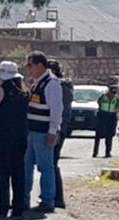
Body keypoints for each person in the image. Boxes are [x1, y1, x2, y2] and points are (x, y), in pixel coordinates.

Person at [0, 61, 29, 218]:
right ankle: (19, 207)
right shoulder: (24, 92)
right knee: (19, 170)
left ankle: (3, 206)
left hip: (3, 134)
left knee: (3, 171)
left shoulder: (1, 91)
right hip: (21, 134)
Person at [24, 51, 63, 213]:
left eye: (30, 65)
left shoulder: (51, 84)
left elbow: (56, 110)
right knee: (26, 166)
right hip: (31, 132)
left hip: (43, 132)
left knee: (45, 167)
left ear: (40, 65)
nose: (28, 69)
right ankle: (23, 199)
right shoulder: (37, 82)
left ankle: (48, 200)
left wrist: (53, 131)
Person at [47, 60, 73, 209]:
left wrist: (58, 131)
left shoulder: (61, 88)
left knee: (52, 163)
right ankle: (53, 196)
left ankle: (57, 197)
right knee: (51, 163)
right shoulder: (57, 86)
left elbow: (63, 112)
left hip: (57, 131)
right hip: (57, 130)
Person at [93, 85, 119, 158]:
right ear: (109, 91)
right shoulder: (103, 96)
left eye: (114, 93)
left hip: (111, 116)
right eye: (112, 92)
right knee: (98, 135)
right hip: (103, 115)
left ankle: (107, 153)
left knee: (109, 136)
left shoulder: (116, 98)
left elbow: (117, 107)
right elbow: (99, 102)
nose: (113, 94)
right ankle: (95, 152)